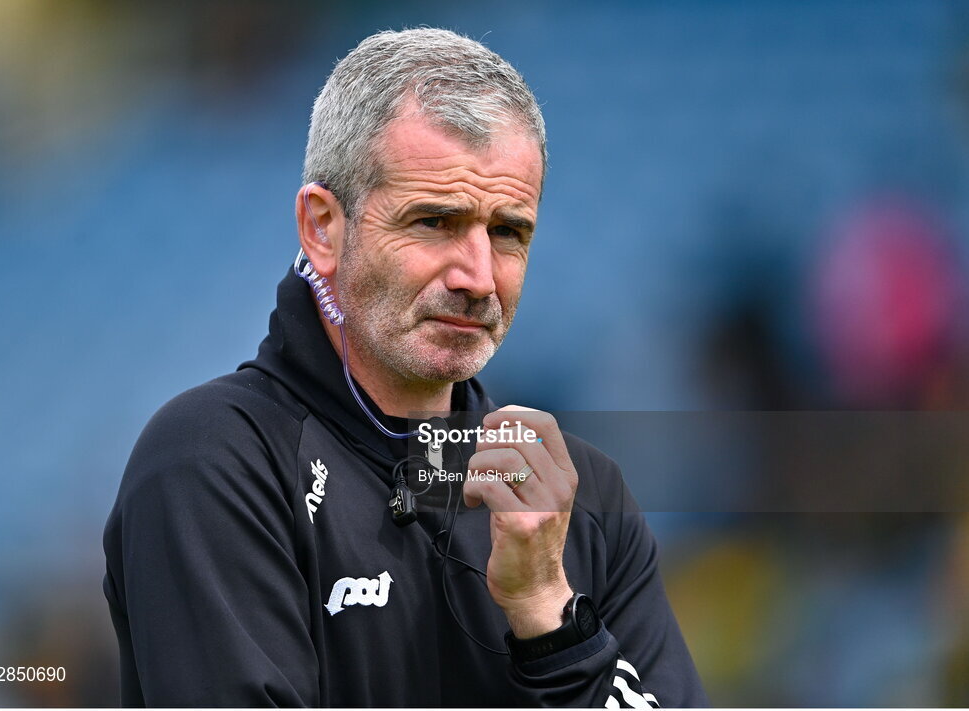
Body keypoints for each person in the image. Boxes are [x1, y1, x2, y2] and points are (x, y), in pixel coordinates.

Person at [102, 28, 707, 707]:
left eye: (507, 231)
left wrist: (549, 616)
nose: (478, 276)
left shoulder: (580, 495)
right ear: (323, 228)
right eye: (434, 221)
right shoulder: (216, 460)